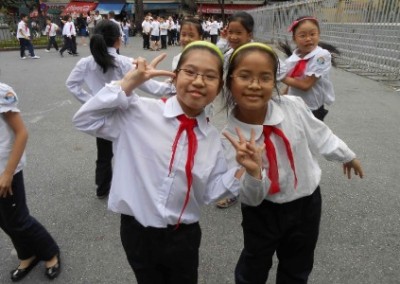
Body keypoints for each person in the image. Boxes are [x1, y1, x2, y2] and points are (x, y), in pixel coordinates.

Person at [72, 40, 266, 284]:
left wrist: (242, 170)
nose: (198, 81)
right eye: (190, 72)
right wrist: (127, 84)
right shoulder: (138, 112)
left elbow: (210, 193)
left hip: (184, 235)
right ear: (175, 78)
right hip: (137, 230)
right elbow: (84, 121)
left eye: (209, 76)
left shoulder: (212, 139)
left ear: (218, 89)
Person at [221, 42, 364, 284]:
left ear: (275, 82)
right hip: (263, 210)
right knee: (255, 262)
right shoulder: (231, 137)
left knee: (298, 265)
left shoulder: (294, 107)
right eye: (245, 76)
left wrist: (346, 154)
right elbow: (250, 197)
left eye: (265, 77)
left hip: (306, 203)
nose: (255, 85)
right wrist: (254, 172)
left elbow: (321, 134)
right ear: (229, 81)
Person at [66, 20, 174, 199]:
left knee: (104, 155)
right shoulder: (125, 62)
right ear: (118, 40)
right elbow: (152, 87)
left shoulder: (85, 63)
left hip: (102, 117)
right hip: (128, 115)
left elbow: (72, 85)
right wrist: (174, 85)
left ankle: (102, 189)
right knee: (134, 151)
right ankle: (136, 189)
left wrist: (94, 102)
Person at [0, 82, 61, 281]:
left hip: (5, 171)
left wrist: (8, 173)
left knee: (18, 219)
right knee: (4, 220)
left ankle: (50, 252)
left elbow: (21, 133)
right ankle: (27, 254)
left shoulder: (1, 92)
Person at [282, 16, 334, 121]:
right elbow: (291, 83)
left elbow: (306, 85)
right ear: (294, 38)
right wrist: (281, 98)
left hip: (312, 109)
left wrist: (280, 77)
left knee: (313, 136)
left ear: (318, 35)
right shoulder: (292, 60)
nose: (308, 39)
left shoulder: (321, 56)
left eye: (312, 34)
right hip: (294, 107)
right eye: (302, 35)